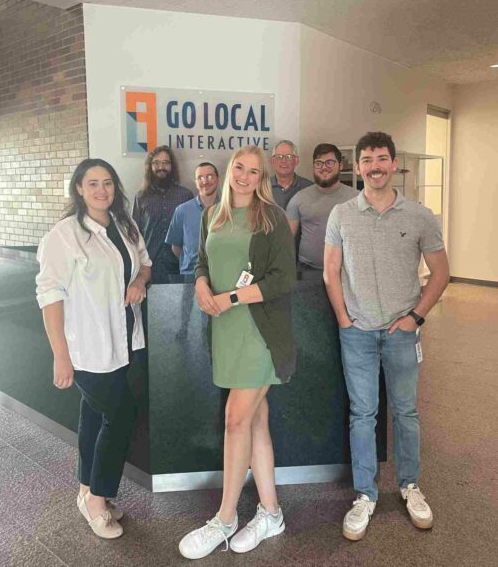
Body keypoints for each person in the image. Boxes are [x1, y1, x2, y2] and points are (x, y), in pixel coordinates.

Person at [323, 131, 449, 541]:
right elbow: (331, 272)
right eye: (367, 160)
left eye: (381, 158)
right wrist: (343, 318)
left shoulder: (420, 216)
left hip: (402, 332)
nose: (374, 166)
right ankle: (365, 494)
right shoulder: (341, 214)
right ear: (356, 167)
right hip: (356, 332)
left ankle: (410, 486)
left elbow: (441, 273)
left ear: (393, 164)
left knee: (406, 412)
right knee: (363, 415)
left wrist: (416, 317)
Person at [178, 146, 297, 560]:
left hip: (260, 333)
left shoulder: (272, 218)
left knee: (234, 419)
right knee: (256, 421)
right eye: (239, 168)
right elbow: (200, 263)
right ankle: (271, 513)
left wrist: (229, 297)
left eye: (254, 171)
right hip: (227, 333)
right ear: (230, 171)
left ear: (263, 177)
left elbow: (285, 279)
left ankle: (225, 518)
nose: (244, 177)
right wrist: (199, 285)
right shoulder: (213, 215)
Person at [36, 158, 152, 539]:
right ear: (79, 190)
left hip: (123, 342)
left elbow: (145, 264)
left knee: (94, 417)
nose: (102, 190)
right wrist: (59, 355)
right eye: (92, 184)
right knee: (121, 416)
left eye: (107, 183)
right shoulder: (64, 234)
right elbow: (50, 295)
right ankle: (99, 498)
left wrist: (138, 281)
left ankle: (87, 489)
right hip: (86, 347)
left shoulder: (126, 225)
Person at [287, 143, 357, 269]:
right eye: (318, 163)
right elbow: (285, 239)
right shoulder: (299, 198)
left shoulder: (356, 199)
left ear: (340, 165)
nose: (324, 167)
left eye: (329, 162)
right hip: (307, 271)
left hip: (345, 270)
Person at [132, 145, 193, 280]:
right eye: (157, 163)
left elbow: (192, 235)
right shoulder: (141, 197)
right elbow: (134, 234)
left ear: (172, 166)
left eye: (166, 163)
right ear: (150, 166)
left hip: (180, 268)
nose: (161, 167)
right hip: (149, 269)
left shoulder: (185, 195)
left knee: (181, 302)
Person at [165, 162, 220, 274]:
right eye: (200, 178)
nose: (205, 181)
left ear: (218, 179)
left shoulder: (229, 209)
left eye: (210, 176)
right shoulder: (182, 211)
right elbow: (176, 247)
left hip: (220, 276)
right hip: (190, 277)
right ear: (196, 183)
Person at [270, 140, 313, 209]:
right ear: (272, 161)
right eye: (279, 157)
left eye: (289, 157)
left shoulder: (309, 188)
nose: (283, 161)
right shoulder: (262, 188)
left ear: (296, 160)